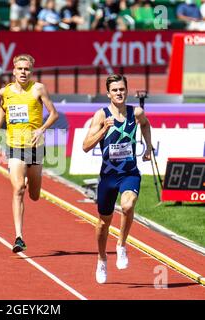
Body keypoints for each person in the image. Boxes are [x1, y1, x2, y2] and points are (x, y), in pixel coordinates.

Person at [82, 74, 152, 284]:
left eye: (122, 89)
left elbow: (146, 125)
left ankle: (121, 244)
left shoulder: (135, 112)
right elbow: (85, 146)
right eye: (115, 90)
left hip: (129, 172)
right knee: (104, 223)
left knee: (128, 205)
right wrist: (104, 129)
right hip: (108, 177)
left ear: (126, 91)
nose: (119, 93)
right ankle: (102, 258)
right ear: (108, 94)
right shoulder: (101, 115)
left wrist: (148, 146)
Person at [0, 54, 59, 253]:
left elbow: (54, 114)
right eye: (20, 69)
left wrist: (41, 129)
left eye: (27, 69)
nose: (23, 72)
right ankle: (18, 237)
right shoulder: (6, 91)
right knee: (18, 188)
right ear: (13, 71)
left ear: (31, 71)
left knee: (35, 195)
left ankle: (31, 178)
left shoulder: (38, 89)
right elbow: (3, 108)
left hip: (34, 146)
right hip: (14, 146)